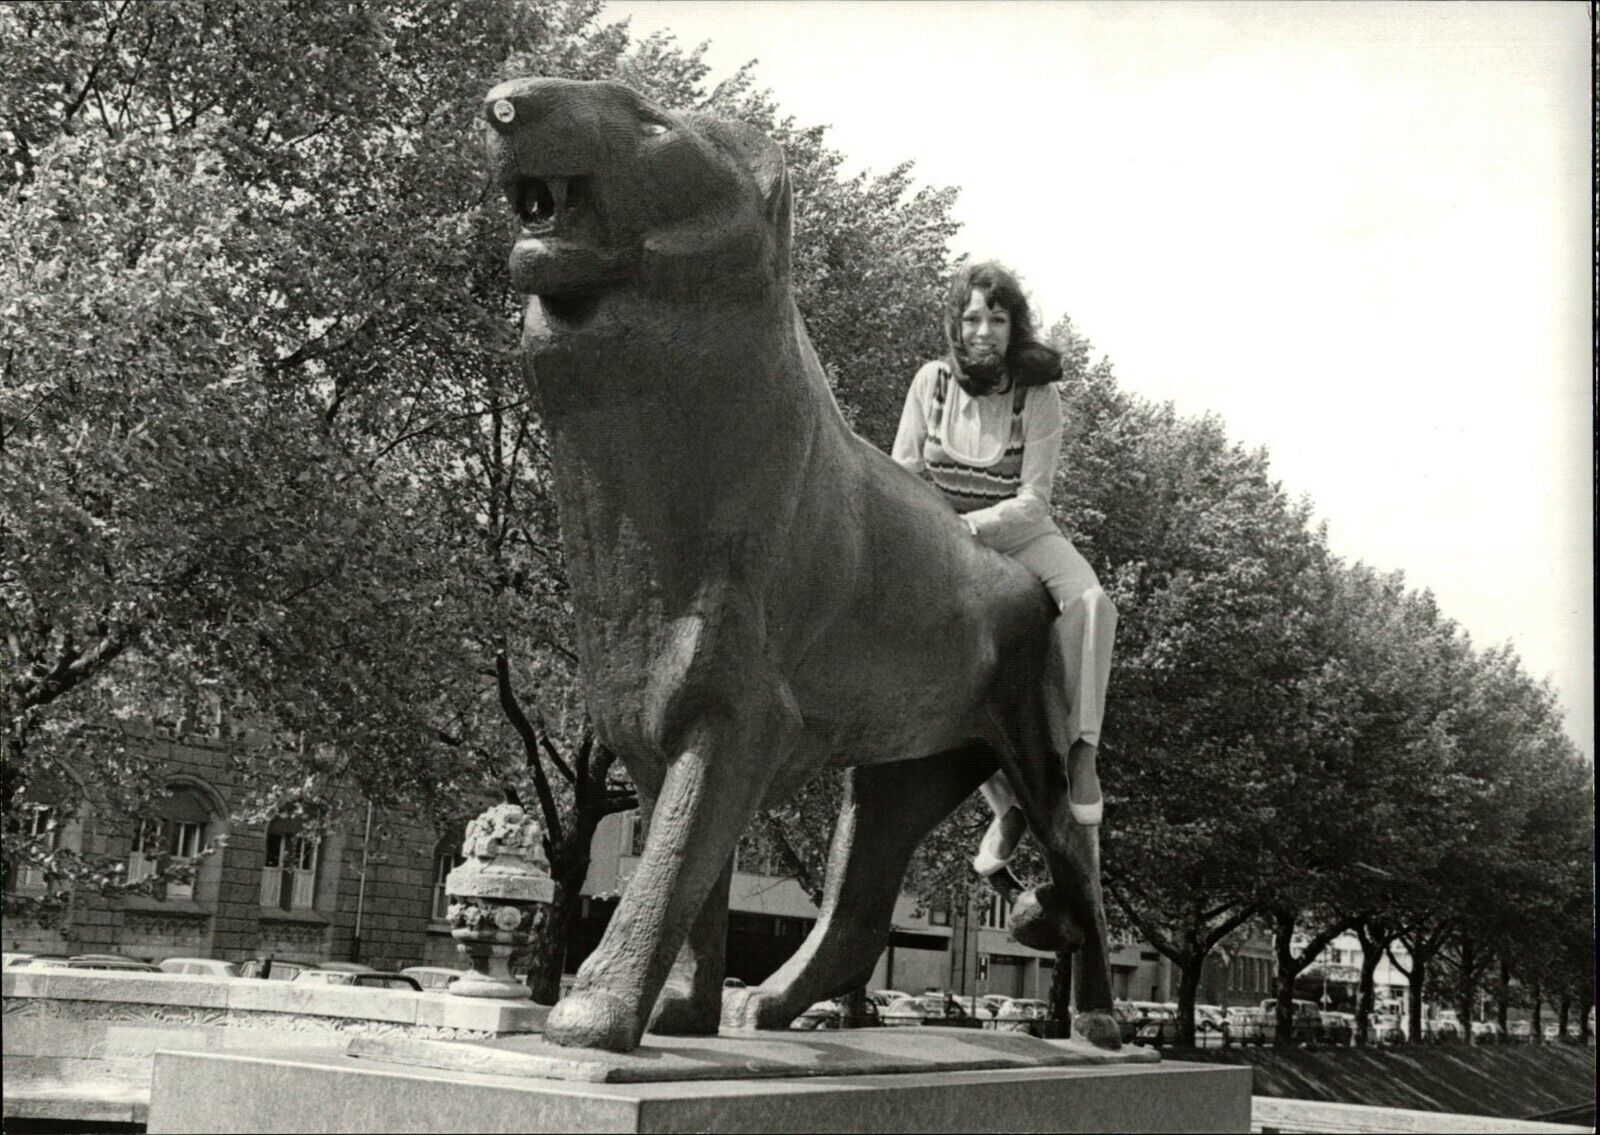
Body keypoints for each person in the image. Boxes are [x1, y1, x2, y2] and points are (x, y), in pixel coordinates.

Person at [891, 261, 1117, 880]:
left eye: (996, 318)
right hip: (942, 540)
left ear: (1014, 325)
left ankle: (1082, 752)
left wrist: (971, 530)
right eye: (972, 319)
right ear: (955, 326)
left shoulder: (1038, 396)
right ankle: (1006, 805)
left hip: (1017, 533)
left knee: (1093, 603)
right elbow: (905, 471)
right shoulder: (929, 383)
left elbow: (1033, 499)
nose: (984, 330)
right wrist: (936, 535)